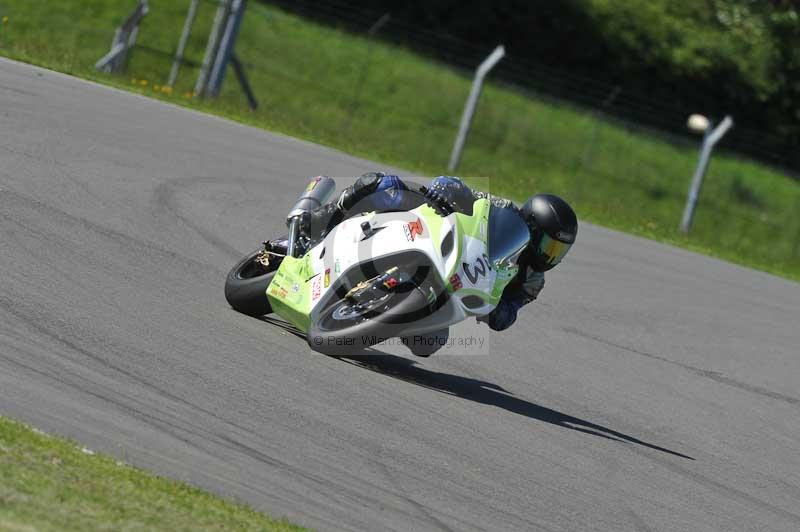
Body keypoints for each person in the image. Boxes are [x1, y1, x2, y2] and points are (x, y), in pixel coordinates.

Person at [294, 172, 577, 351]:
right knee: (382, 184)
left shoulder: (532, 279)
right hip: (434, 235)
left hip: (450, 291)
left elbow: (508, 315)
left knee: (429, 343)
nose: (550, 256)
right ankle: (318, 223)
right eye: (549, 245)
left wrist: (499, 311)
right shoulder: (502, 210)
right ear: (533, 227)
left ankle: (371, 318)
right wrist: (447, 188)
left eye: (559, 251)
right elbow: (461, 189)